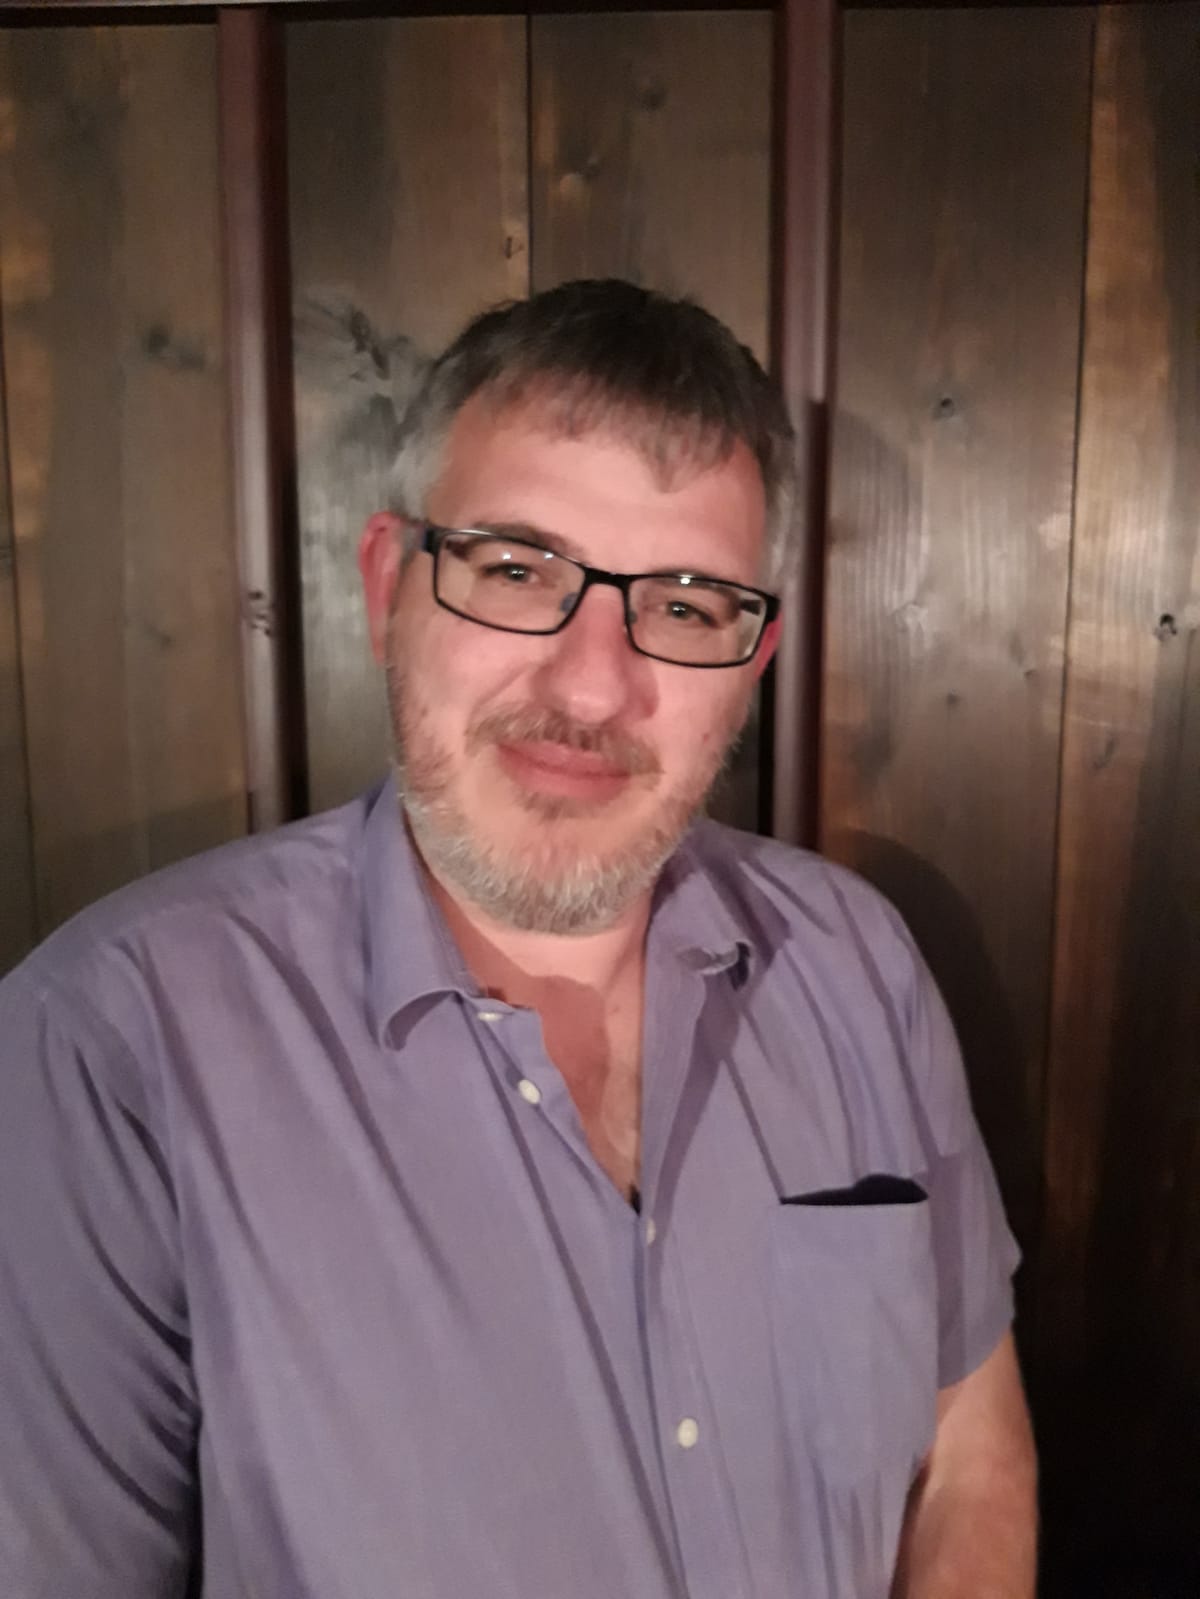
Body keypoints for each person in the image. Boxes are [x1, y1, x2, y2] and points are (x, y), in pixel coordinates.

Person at [0, 279, 1036, 1598]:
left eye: (685, 605)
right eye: (515, 571)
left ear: (752, 658)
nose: (593, 685)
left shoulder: (857, 962)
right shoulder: (108, 1047)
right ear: (389, 586)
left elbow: (971, 1451)